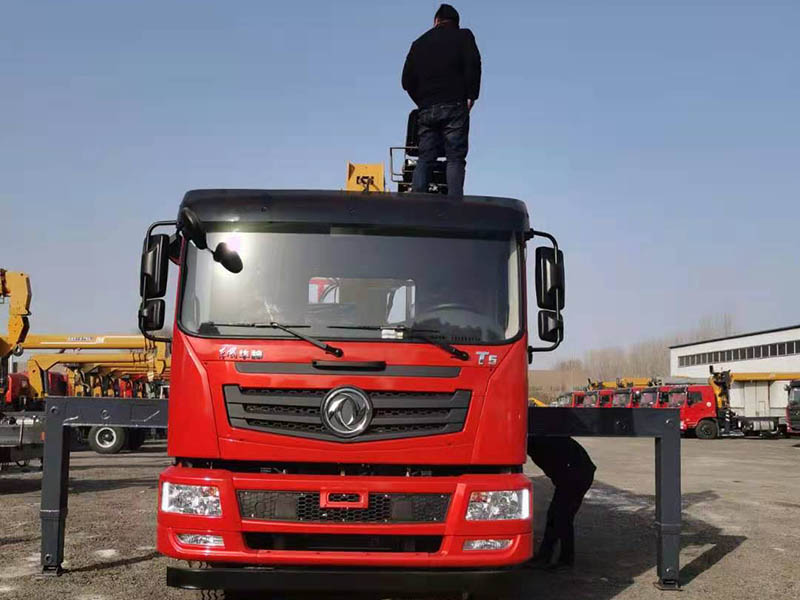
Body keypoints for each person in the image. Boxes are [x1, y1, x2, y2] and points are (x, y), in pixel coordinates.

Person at [401, 4, 481, 198]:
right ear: (455, 23)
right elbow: (473, 65)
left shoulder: (418, 43)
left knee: (425, 158)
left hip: (427, 108)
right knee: (455, 158)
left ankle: (417, 202)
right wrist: (471, 95)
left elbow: (406, 81)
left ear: (436, 21)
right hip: (455, 105)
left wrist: (422, 101)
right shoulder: (464, 36)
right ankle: (454, 205)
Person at [527, 436, 596, 569]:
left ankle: (564, 560)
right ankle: (547, 556)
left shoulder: (537, 440)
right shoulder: (538, 437)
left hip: (576, 474)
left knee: (562, 517)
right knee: (556, 516)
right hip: (574, 472)